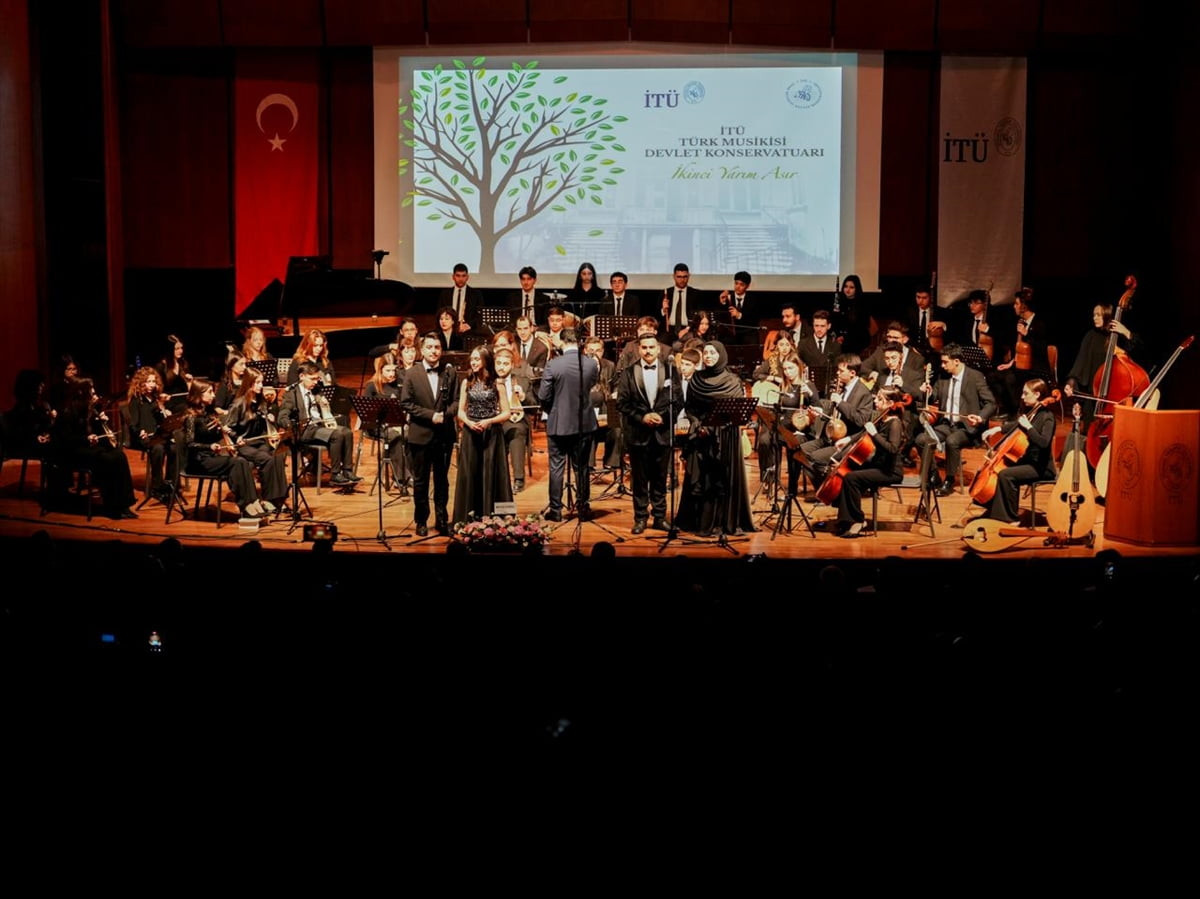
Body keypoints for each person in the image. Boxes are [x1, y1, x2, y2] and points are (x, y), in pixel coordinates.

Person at [677, 340, 756, 537]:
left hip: (726, 435)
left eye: (712, 352)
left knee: (723, 478)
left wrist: (718, 425)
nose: (708, 356)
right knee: (702, 480)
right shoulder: (696, 379)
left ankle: (725, 522)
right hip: (702, 434)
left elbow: (737, 410)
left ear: (721, 354)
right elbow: (690, 408)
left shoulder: (732, 380)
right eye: (706, 353)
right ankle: (698, 522)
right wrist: (698, 425)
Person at [958, 378, 1057, 526]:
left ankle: (1010, 518)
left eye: (1025, 393)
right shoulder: (1033, 412)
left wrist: (1029, 428)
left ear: (1037, 394)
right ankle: (993, 512)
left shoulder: (1047, 417)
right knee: (1000, 470)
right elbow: (1017, 424)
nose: (1022, 397)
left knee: (1006, 474)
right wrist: (997, 429)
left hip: (1040, 467)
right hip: (1027, 460)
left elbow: (1043, 442)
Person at [914, 343, 998, 496]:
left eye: (945, 362)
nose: (942, 365)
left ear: (957, 361)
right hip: (946, 425)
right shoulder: (943, 377)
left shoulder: (975, 376)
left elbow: (991, 403)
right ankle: (934, 474)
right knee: (921, 439)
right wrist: (928, 392)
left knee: (953, 441)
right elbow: (933, 397)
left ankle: (949, 480)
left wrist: (980, 417)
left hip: (967, 427)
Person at [49, 378, 137, 520]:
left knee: (119, 456)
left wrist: (100, 422)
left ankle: (124, 504)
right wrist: (86, 439)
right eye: (92, 392)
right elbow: (64, 440)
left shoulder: (89, 410)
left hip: (87, 449)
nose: (95, 395)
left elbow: (96, 433)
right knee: (107, 459)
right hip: (71, 452)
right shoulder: (68, 412)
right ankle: (112, 506)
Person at [401, 333, 460, 536]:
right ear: (422, 350)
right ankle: (421, 520)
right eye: (430, 347)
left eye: (437, 347)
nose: (434, 351)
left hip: (444, 435)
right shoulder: (412, 373)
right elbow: (406, 403)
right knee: (421, 481)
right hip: (421, 435)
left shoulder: (450, 372)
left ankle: (442, 520)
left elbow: (457, 401)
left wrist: (444, 415)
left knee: (442, 480)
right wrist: (430, 416)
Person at [537, 327, 598, 522]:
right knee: (582, 468)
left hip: (559, 423)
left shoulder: (553, 365)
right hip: (583, 423)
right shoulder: (591, 364)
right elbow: (591, 387)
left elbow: (543, 396)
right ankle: (583, 508)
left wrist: (553, 409)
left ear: (562, 342)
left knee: (556, 467)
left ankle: (555, 510)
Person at [616, 333, 674, 533]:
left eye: (651, 347)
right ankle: (640, 518)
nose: (648, 351)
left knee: (660, 478)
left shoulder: (671, 371)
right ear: (639, 349)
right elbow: (622, 403)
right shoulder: (628, 373)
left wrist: (662, 417)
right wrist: (643, 417)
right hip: (638, 434)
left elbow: (679, 400)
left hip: (662, 432)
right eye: (644, 347)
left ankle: (659, 517)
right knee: (639, 480)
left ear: (658, 349)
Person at [180, 379, 264, 518]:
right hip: (198, 462)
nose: (213, 395)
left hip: (210, 458)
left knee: (242, 461)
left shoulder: (209, 414)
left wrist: (235, 439)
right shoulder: (191, 417)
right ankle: (245, 505)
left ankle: (252, 501)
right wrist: (210, 446)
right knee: (236, 463)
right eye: (210, 392)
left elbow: (220, 434)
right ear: (199, 395)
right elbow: (189, 443)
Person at [832, 385, 908, 538]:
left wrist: (875, 435)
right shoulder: (882, 418)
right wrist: (847, 440)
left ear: (890, 404)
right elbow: (864, 432)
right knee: (847, 471)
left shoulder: (895, 423)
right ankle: (846, 520)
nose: (876, 401)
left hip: (890, 471)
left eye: (880, 399)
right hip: (879, 465)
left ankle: (858, 521)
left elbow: (892, 449)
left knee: (851, 478)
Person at [452, 345, 513, 525]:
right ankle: (469, 516)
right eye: (472, 359)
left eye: (477, 359)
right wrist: (468, 423)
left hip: (492, 434)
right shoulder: (467, 382)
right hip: (471, 434)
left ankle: (496, 516)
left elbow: (506, 413)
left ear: (486, 360)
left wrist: (489, 421)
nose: (474, 362)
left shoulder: (497, 383)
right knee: (470, 474)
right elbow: (460, 411)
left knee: (495, 474)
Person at [1063, 301, 1143, 436]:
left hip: (1113, 397)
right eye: (1094, 315)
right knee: (1089, 433)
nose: (1095, 318)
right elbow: (1080, 363)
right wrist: (1071, 383)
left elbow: (1141, 351)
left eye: (1099, 315)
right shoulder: (1090, 336)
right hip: (1093, 395)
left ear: (1107, 316)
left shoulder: (1118, 337)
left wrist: (1126, 332)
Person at [798, 353, 875, 491]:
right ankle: (823, 489)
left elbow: (861, 420)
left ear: (852, 373)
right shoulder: (842, 388)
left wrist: (840, 402)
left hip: (847, 441)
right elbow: (834, 415)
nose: (838, 373)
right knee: (800, 452)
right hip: (830, 437)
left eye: (841, 371)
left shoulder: (863, 393)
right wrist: (820, 413)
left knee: (815, 458)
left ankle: (828, 492)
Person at [277, 361, 360, 486]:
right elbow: (282, 417)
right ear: (302, 376)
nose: (315, 382)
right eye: (312, 379)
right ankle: (335, 474)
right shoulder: (291, 394)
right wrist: (291, 426)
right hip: (305, 429)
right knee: (336, 435)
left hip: (319, 426)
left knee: (347, 432)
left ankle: (347, 470)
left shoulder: (317, 390)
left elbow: (324, 409)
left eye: (317, 378)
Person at [223, 368, 287, 514]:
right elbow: (227, 428)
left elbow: (263, 426)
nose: (261, 385)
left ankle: (278, 499)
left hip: (259, 443)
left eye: (261, 382)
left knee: (278, 456)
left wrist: (271, 421)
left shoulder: (261, 402)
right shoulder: (238, 404)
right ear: (249, 383)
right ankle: (269, 499)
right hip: (245, 445)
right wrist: (236, 437)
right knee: (267, 459)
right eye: (257, 382)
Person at [995, 287, 1051, 415]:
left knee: (1010, 379)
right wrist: (1012, 361)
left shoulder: (1039, 324)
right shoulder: (1019, 322)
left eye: (1017, 304)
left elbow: (1042, 349)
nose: (1014, 306)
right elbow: (1019, 349)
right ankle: (1009, 408)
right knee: (994, 376)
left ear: (1024, 307)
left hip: (1036, 366)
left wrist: (1027, 335)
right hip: (1021, 365)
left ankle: (1018, 412)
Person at [125, 366, 177, 501]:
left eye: (154, 381)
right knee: (158, 448)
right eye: (148, 381)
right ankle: (157, 487)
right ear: (141, 383)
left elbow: (162, 421)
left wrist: (163, 409)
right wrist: (140, 432)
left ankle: (171, 484)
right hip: (142, 437)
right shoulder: (137, 400)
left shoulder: (156, 399)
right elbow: (133, 424)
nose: (152, 385)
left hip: (157, 435)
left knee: (174, 448)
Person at [362, 353, 409, 492]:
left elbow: (405, 407)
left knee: (408, 434)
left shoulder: (399, 383)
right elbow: (367, 414)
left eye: (394, 370)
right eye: (388, 370)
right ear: (380, 370)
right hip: (377, 426)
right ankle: (401, 479)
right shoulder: (372, 386)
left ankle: (403, 475)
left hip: (398, 424)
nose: (391, 374)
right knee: (396, 435)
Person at [493, 347, 532, 493]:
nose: (501, 367)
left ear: (512, 365)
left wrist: (522, 397)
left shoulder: (521, 380)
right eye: (499, 363)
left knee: (517, 431)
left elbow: (534, 406)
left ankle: (518, 478)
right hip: (493, 419)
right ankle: (493, 477)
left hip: (514, 419)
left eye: (505, 364)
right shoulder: (488, 380)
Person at [584, 336, 619, 470]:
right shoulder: (579, 366)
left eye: (597, 350)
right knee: (588, 427)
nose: (594, 353)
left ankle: (611, 461)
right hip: (587, 406)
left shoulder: (609, 365)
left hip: (607, 404)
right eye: (591, 350)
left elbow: (616, 384)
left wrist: (616, 392)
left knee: (617, 427)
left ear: (602, 351)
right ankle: (588, 463)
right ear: (585, 351)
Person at [660, 263, 712, 344]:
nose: (682, 280)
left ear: (689, 276)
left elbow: (698, 316)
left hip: (688, 330)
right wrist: (663, 310)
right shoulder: (666, 293)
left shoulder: (696, 294)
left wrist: (687, 329)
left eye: (685, 277)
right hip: (669, 330)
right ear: (674, 276)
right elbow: (656, 316)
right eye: (679, 277)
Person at [796, 309, 841, 396]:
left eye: (822, 326)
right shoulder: (803, 344)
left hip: (827, 390)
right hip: (809, 389)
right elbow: (797, 364)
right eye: (816, 326)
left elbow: (836, 369)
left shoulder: (835, 346)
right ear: (813, 326)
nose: (819, 329)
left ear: (829, 326)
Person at [717, 270, 761, 345]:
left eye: (741, 284)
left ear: (747, 286)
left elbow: (754, 321)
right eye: (736, 283)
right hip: (731, 333)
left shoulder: (753, 300)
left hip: (747, 332)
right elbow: (721, 318)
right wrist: (723, 303)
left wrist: (739, 315)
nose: (738, 286)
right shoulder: (728, 298)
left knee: (752, 340)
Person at [832, 273, 871, 357]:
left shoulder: (862, 304)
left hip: (857, 339)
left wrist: (845, 338)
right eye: (846, 286)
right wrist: (838, 336)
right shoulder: (838, 302)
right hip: (840, 338)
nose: (847, 290)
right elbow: (835, 322)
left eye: (851, 287)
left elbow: (861, 327)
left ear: (857, 289)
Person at [439, 263, 482, 335]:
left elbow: (480, 315)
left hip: (469, 331)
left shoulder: (476, 294)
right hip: (448, 330)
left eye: (463, 276)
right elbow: (440, 312)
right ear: (453, 277)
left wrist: (469, 325)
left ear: (467, 277)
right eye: (458, 276)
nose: (461, 279)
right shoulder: (445, 294)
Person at [907, 285, 948, 358]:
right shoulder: (910, 312)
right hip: (915, 350)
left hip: (934, 351)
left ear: (931, 298)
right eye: (918, 297)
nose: (920, 301)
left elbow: (952, 329)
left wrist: (943, 325)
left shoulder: (940, 312)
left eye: (924, 298)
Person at [156, 335, 192, 413]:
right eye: (177, 349)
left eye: (181, 348)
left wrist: (189, 381)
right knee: (186, 408)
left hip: (183, 398)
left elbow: (188, 387)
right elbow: (158, 390)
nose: (181, 351)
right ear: (170, 350)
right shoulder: (161, 366)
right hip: (169, 402)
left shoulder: (183, 363)